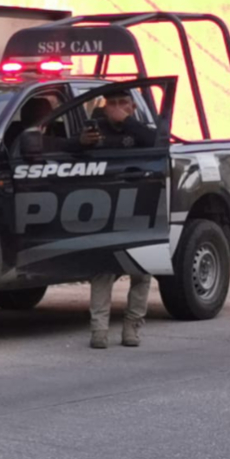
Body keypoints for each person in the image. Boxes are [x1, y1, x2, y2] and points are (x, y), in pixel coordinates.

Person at [79, 89, 157, 349]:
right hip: (105, 208)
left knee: (141, 272)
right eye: (111, 103)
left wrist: (126, 121)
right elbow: (75, 155)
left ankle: (132, 328)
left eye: (123, 103)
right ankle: (98, 331)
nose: (116, 108)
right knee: (103, 271)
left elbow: (156, 143)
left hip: (138, 208)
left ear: (133, 107)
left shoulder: (141, 130)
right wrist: (82, 143)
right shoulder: (97, 130)